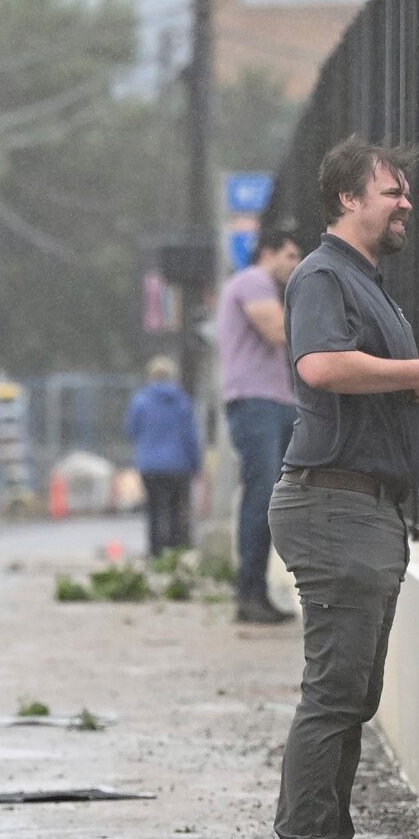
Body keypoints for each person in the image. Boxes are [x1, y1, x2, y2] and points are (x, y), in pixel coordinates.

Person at [268, 137, 419, 839]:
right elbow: (319, 366)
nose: (405, 203)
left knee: (348, 691)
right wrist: (410, 370)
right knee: (335, 691)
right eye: (392, 191)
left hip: (358, 508)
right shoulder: (324, 275)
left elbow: (377, 384)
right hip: (333, 506)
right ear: (348, 199)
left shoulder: (363, 281)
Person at [215, 224, 305, 625]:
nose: (296, 265)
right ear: (267, 252)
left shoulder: (264, 286)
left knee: (273, 497)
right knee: (261, 494)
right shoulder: (252, 281)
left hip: (274, 401)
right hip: (256, 403)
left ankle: (257, 592)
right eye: (290, 256)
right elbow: (276, 330)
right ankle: (248, 591)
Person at [126, 356, 201, 557]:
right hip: (178, 465)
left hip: (150, 465)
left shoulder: (140, 401)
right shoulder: (181, 400)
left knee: (154, 511)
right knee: (177, 511)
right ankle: (176, 554)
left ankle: (155, 552)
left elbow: (132, 431)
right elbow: (191, 436)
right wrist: (196, 465)